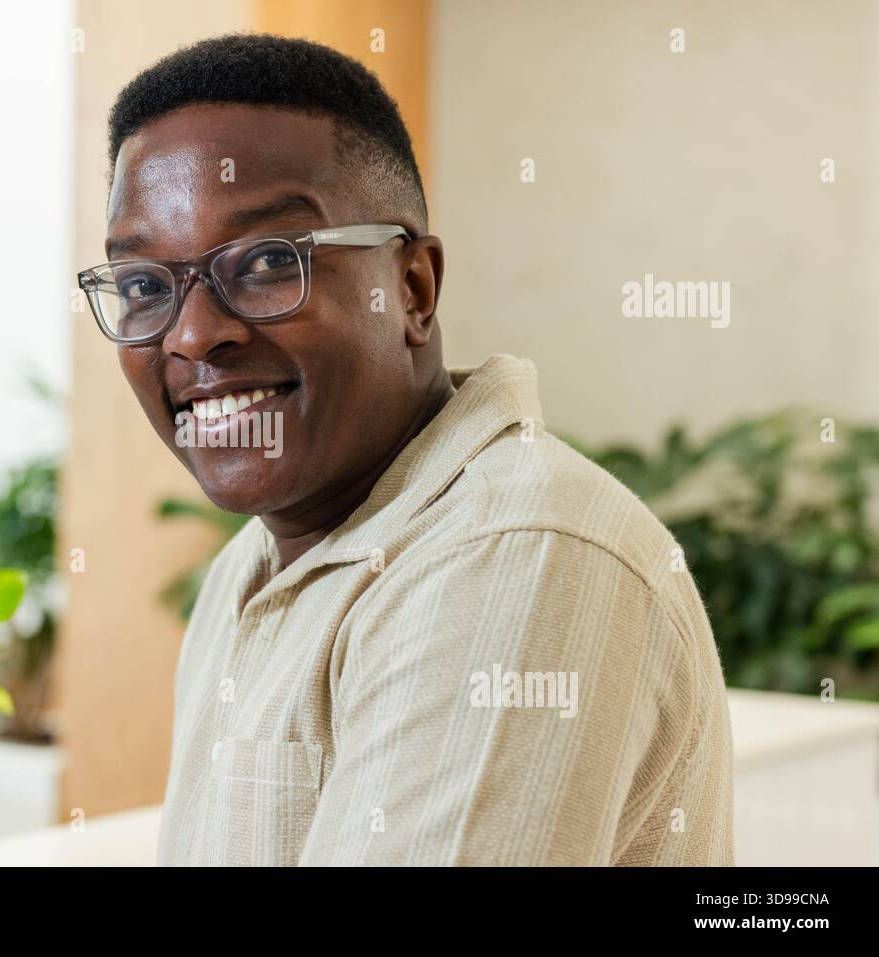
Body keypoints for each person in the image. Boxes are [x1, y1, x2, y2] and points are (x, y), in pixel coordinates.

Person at [77, 34, 734, 866]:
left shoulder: (515, 553)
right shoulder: (247, 572)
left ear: (414, 289)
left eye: (270, 262)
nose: (197, 334)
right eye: (142, 286)